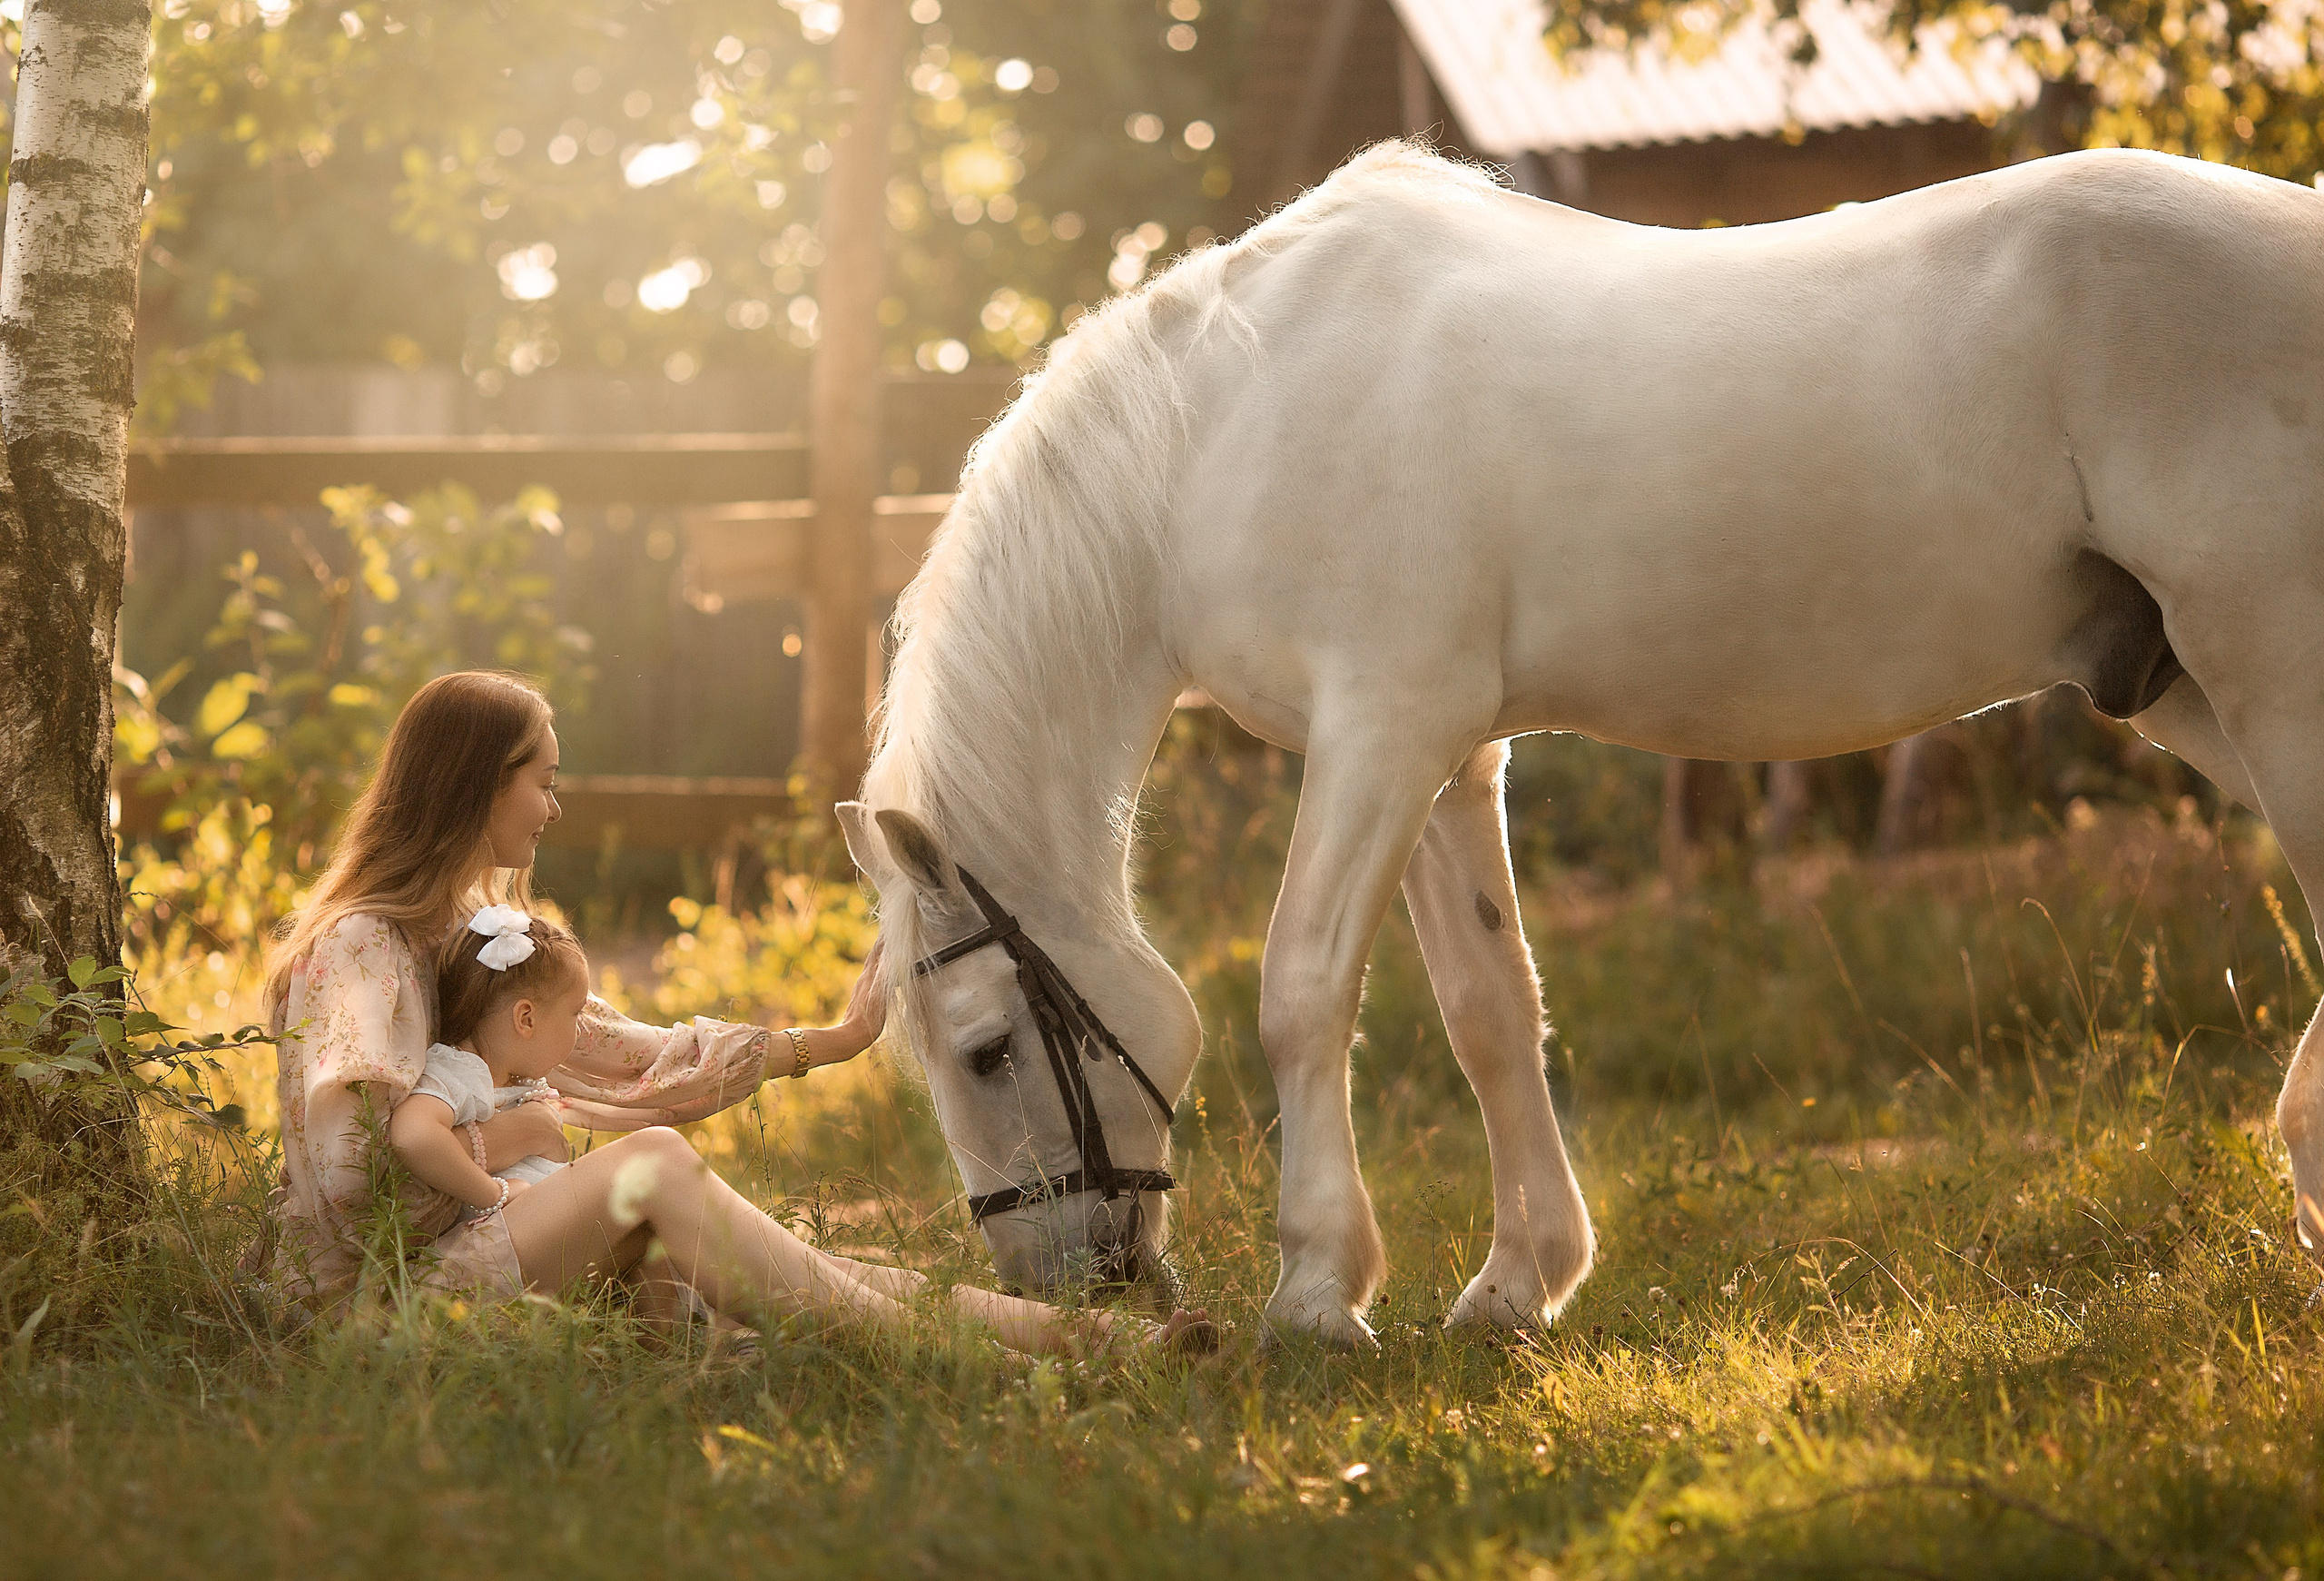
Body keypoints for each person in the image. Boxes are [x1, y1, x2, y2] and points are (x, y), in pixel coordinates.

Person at [265, 668, 1212, 1359]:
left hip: (483, 1250)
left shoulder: (472, 931)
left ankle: (1100, 1339)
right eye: (542, 781)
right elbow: (352, 1174)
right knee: (656, 1169)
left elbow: (623, 1053)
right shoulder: (361, 947)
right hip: (379, 1308)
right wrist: (512, 1142)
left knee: (805, 1263)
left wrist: (826, 1042)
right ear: (478, 784)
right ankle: (965, 1369)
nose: (554, 808)